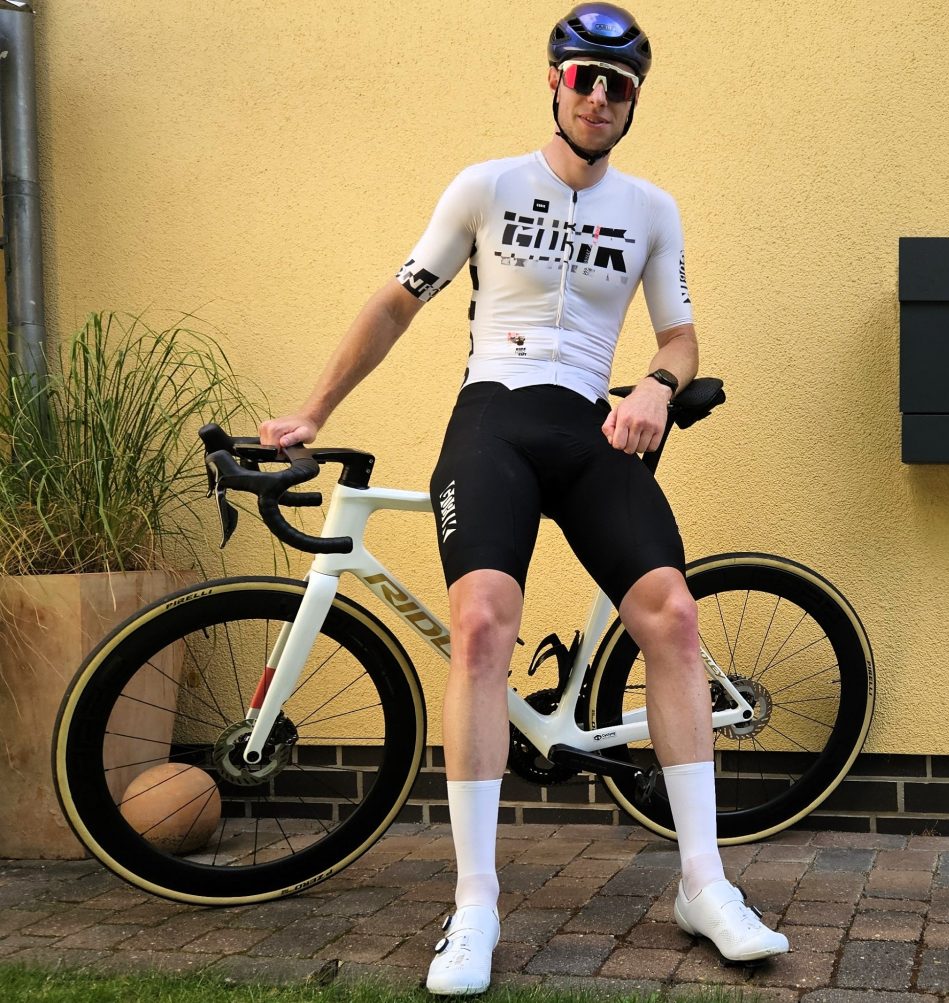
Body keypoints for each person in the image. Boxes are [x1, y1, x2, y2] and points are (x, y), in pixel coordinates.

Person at [259, 4, 788, 994]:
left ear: (634, 100)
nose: (600, 97)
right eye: (584, 77)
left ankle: (705, 883)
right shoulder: (487, 187)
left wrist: (655, 386)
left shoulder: (652, 210)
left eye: (619, 85)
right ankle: (475, 902)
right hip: (494, 421)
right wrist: (313, 409)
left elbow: (679, 337)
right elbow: (397, 301)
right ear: (554, 80)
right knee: (480, 626)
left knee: (673, 617)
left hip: (590, 428)